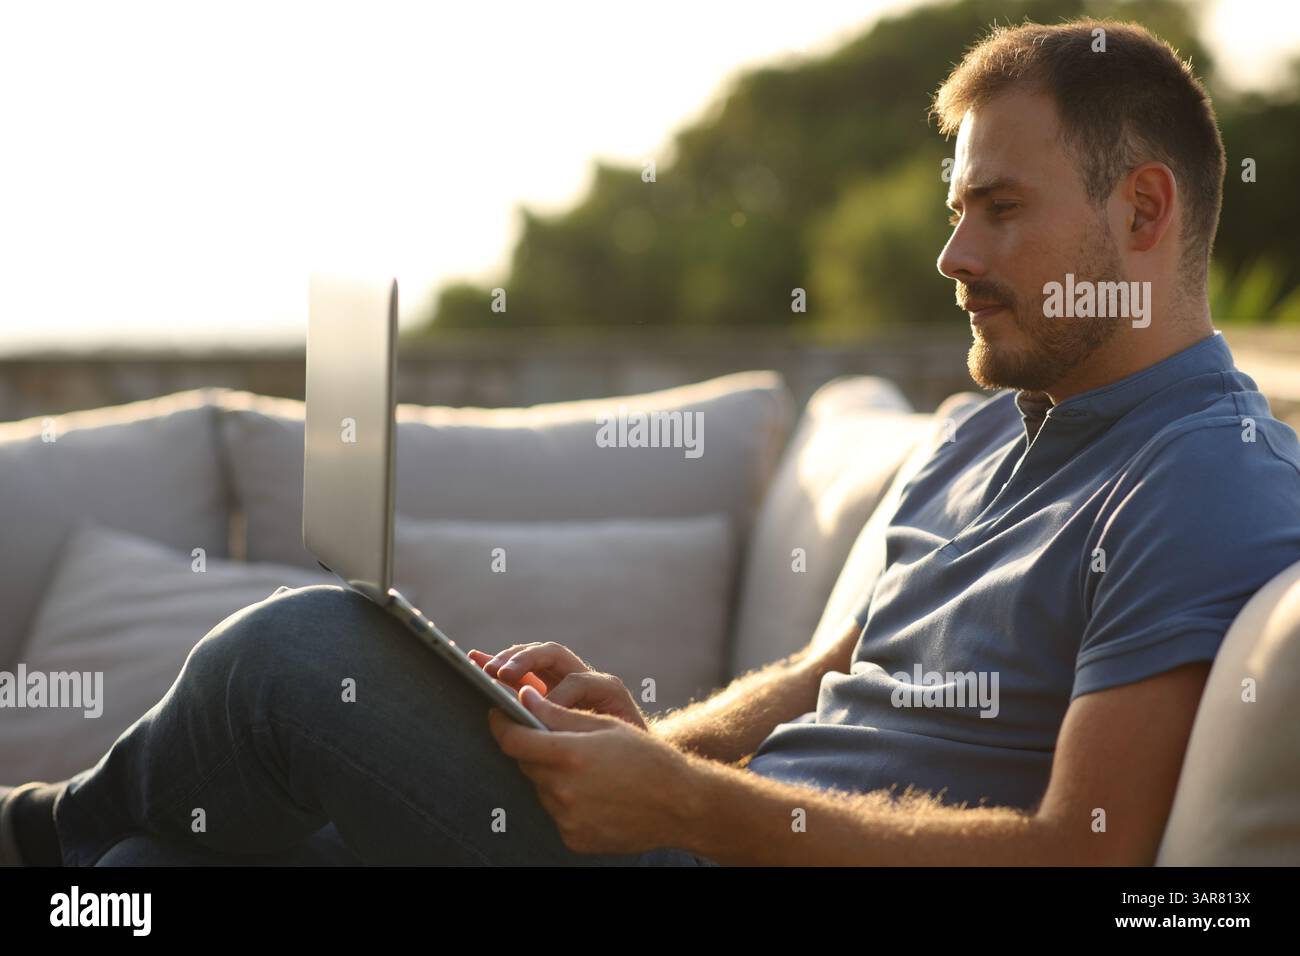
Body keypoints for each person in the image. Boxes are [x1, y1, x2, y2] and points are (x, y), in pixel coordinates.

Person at [5, 18, 1300, 866]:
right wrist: (646, 744)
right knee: (170, 861)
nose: (953, 256)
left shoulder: (1206, 479)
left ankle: (31, 834)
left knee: (302, 651)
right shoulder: (980, 434)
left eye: (1000, 209)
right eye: (957, 210)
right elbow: (827, 674)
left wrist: (684, 804)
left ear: (1143, 211)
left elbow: (1086, 851)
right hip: (688, 837)